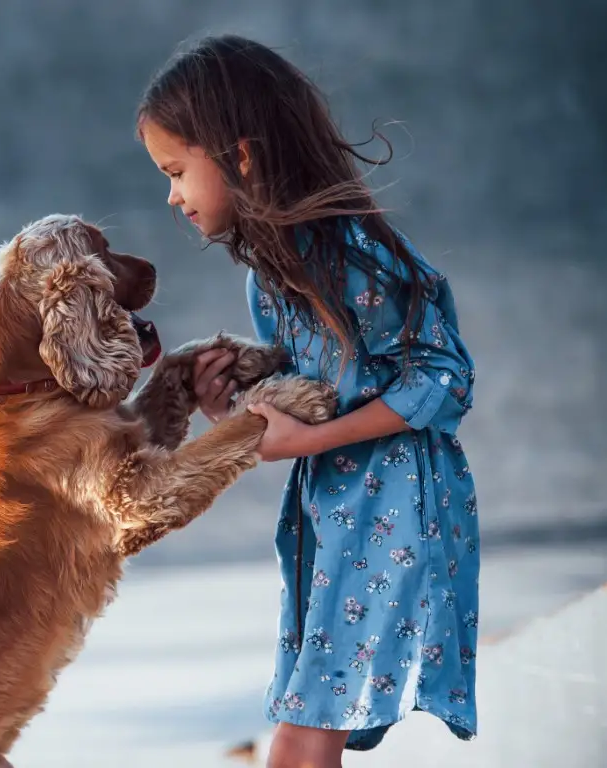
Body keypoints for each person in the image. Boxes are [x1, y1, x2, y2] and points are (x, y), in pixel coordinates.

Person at [136, 34, 480, 768]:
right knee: (302, 718)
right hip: (336, 516)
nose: (171, 196)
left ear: (243, 156)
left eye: (176, 171)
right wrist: (224, 413)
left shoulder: (352, 254)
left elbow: (444, 376)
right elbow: (304, 412)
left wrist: (312, 444)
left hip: (398, 509)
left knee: (301, 732)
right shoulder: (271, 278)